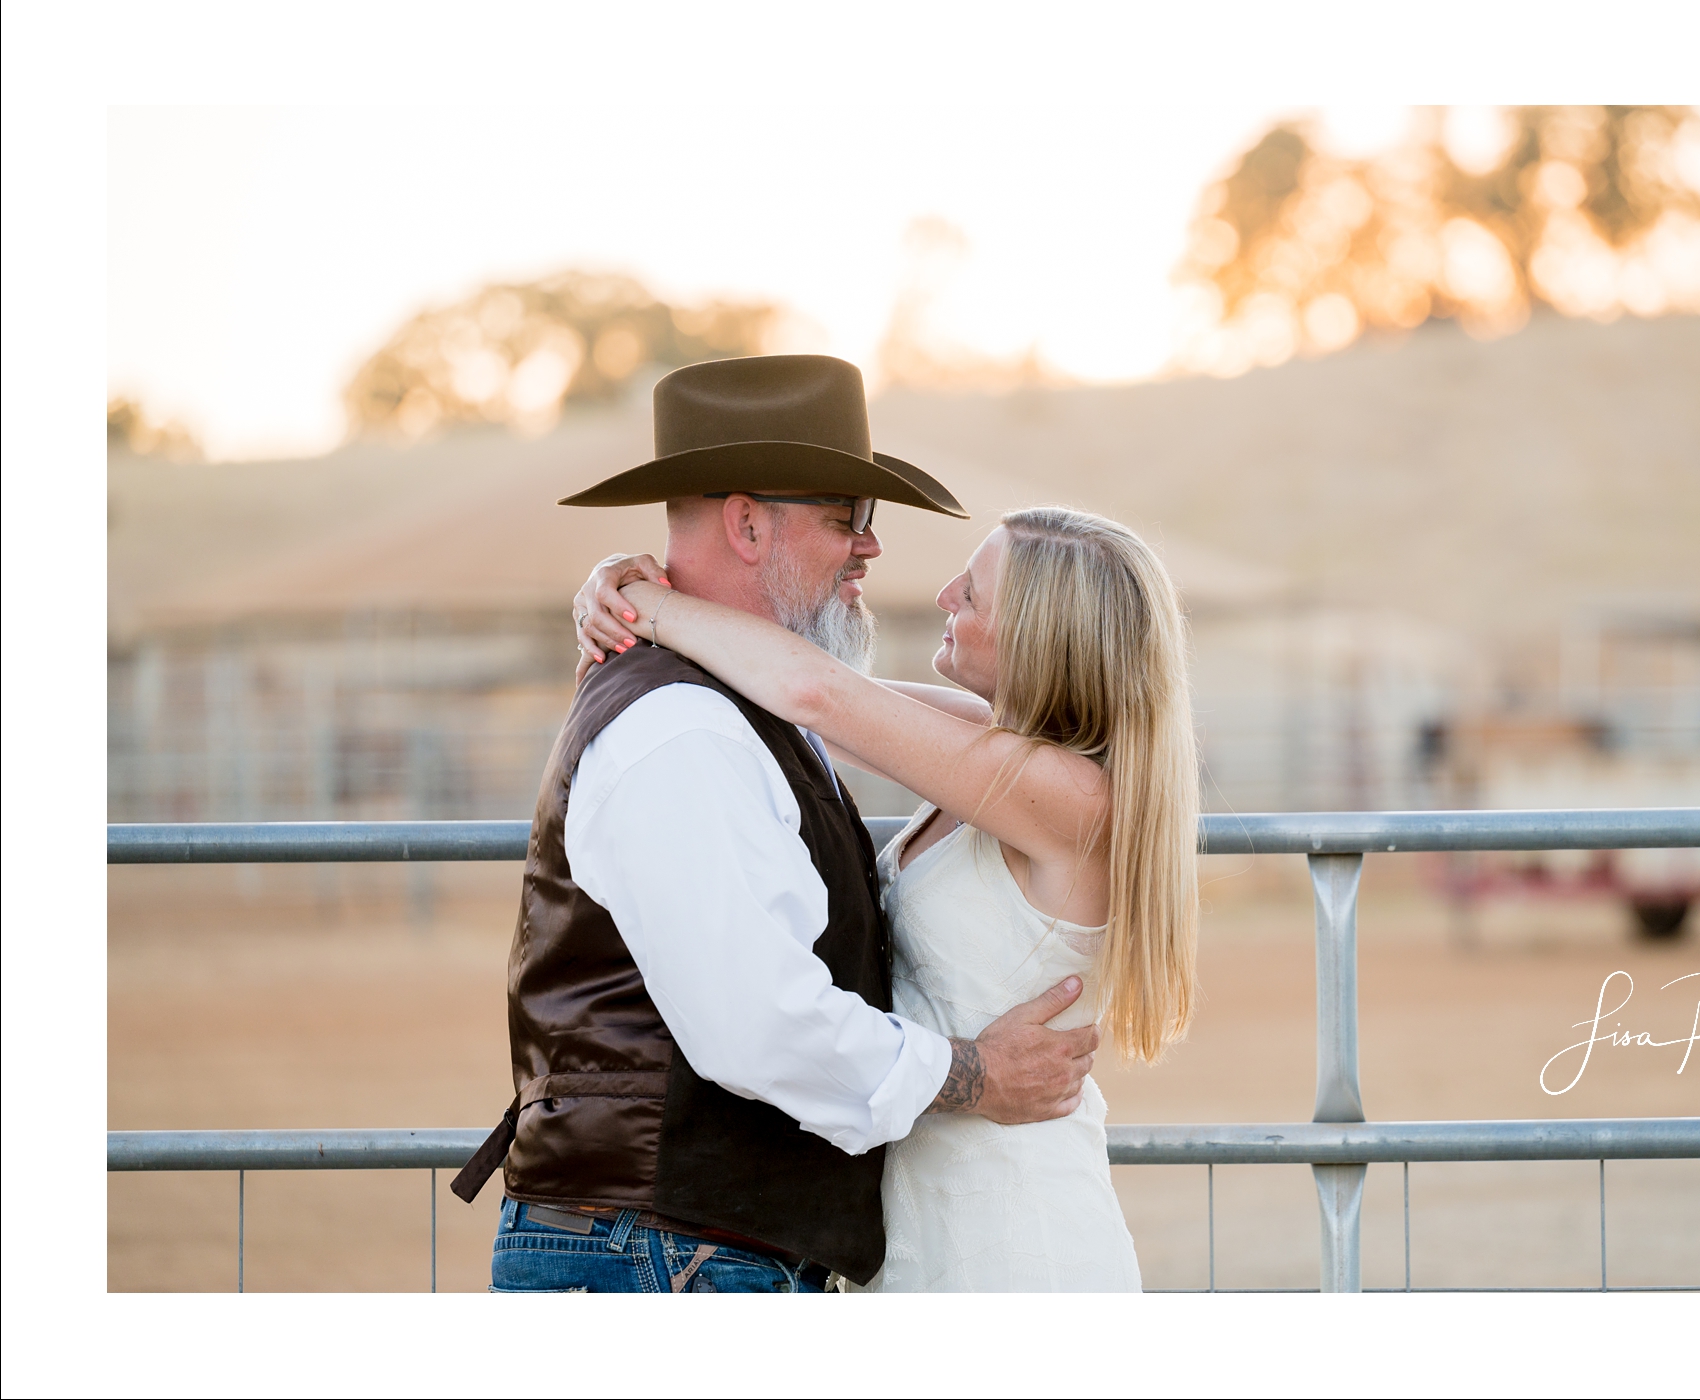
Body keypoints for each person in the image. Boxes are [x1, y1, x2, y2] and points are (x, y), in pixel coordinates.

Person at [450, 355, 1101, 1294]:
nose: (871, 549)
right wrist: (970, 1077)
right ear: (749, 523)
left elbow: (837, 695)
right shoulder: (685, 727)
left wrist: (646, 600)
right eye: (849, 517)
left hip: (686, 1253)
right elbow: (758, 1027)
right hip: (662, 1258)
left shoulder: (748, 703)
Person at [572, 491, 1201, 1290]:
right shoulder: (996, 748)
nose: (942, 597)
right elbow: (816, 699)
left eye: (970, 593)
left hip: (1010, 1228)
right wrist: (611, 590)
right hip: (923, 1207)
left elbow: (816, 696)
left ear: (1040, 637)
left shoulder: (1069, 796)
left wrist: (648, 606)